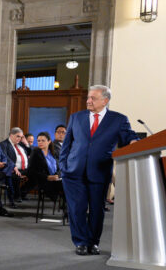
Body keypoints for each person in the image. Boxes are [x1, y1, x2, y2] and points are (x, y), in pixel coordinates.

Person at [59, 85, 138, 256]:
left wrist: (134, 142)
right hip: (73, 172)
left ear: (105, 100)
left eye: (93, 98)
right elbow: (66, 145)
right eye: (88, 97)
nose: (88, 101)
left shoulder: (118, 119)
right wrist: (63, 166)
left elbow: (129, 136)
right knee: (77, 208)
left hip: (100, 171)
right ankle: (80, 242)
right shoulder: (76, 117)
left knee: (97, 209)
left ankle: (93, 242)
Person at [27, 132, 63, 204]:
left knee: (68, 185)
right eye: (38, 141)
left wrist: (58, 175)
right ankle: (65, 208)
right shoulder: (35, 152)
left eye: (43, 140)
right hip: (43, 180)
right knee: (64, 188)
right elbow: (31, 171)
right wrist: (47, 177)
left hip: (55, 179)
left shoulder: (54, 152)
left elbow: (60, 168)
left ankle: (67, 210)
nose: (40, 142)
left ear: (49, 141)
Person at [0, 127, 29, 203]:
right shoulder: (3, 144)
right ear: (11, 135)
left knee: (36, 174)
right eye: (18, 136)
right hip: (12, 169)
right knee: (16, 175)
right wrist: (13, 166)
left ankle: (22, 193)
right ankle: (16, 196)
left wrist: (27, 144)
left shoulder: (21, 144)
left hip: (24, 169)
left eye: (21, 137)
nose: (19, 138)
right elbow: (5, 157)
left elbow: (31, 152)